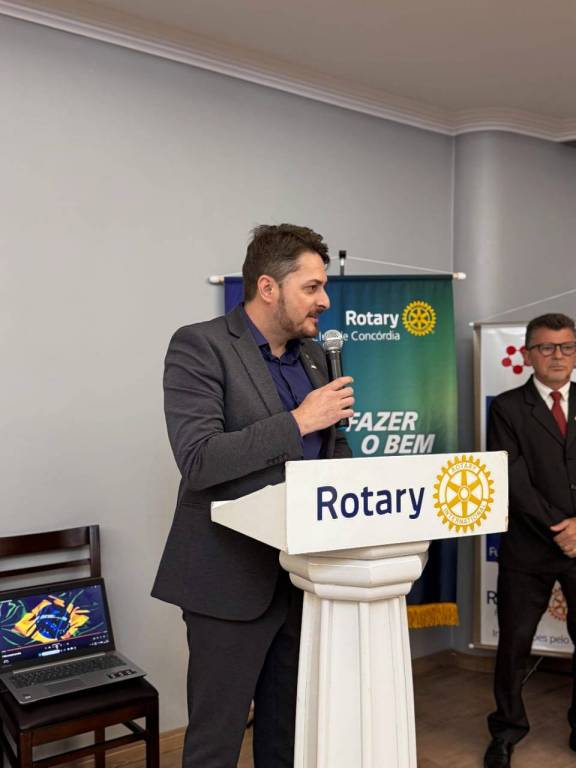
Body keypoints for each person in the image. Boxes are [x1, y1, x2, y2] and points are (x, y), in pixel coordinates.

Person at [152, 224, 353, 768]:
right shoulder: (200, 346)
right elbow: (199, 460)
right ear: (268, 287)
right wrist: (300, 420)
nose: (324, 300)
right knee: (214, 747)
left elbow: (331, 449)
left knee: (285, 737)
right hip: (228, 582)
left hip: (301, 578)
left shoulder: (314, 357)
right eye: (311, 287)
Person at [484, 313, 576, 768]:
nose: (557, 356)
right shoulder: (506, 408)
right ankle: (506, 731)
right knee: (514, 647)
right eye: (546, 347)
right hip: (528, 548)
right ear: (527, 354)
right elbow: (512, 476)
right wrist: (563, 528)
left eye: (566, 347)